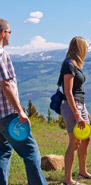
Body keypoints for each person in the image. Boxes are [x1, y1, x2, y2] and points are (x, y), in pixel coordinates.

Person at [0, 19, 47, 185]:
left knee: (3, 153)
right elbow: (6, 85)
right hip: (9, 115)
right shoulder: (1, 55)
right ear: (2, 33)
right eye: (10, 32)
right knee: (31, 151)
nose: (10, 36)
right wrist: (20, 111)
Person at [60, 37, 91, 185]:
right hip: (72, 107)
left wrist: (84, 109)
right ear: (80, 48)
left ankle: (83, 172)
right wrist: (77, 115)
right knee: (74, 142)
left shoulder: (76, 66)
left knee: (86, 138)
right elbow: (68, 92)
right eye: (86, 48)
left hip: (80, 105)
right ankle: (68, 180)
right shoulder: (69, 65)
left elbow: (79, 91)